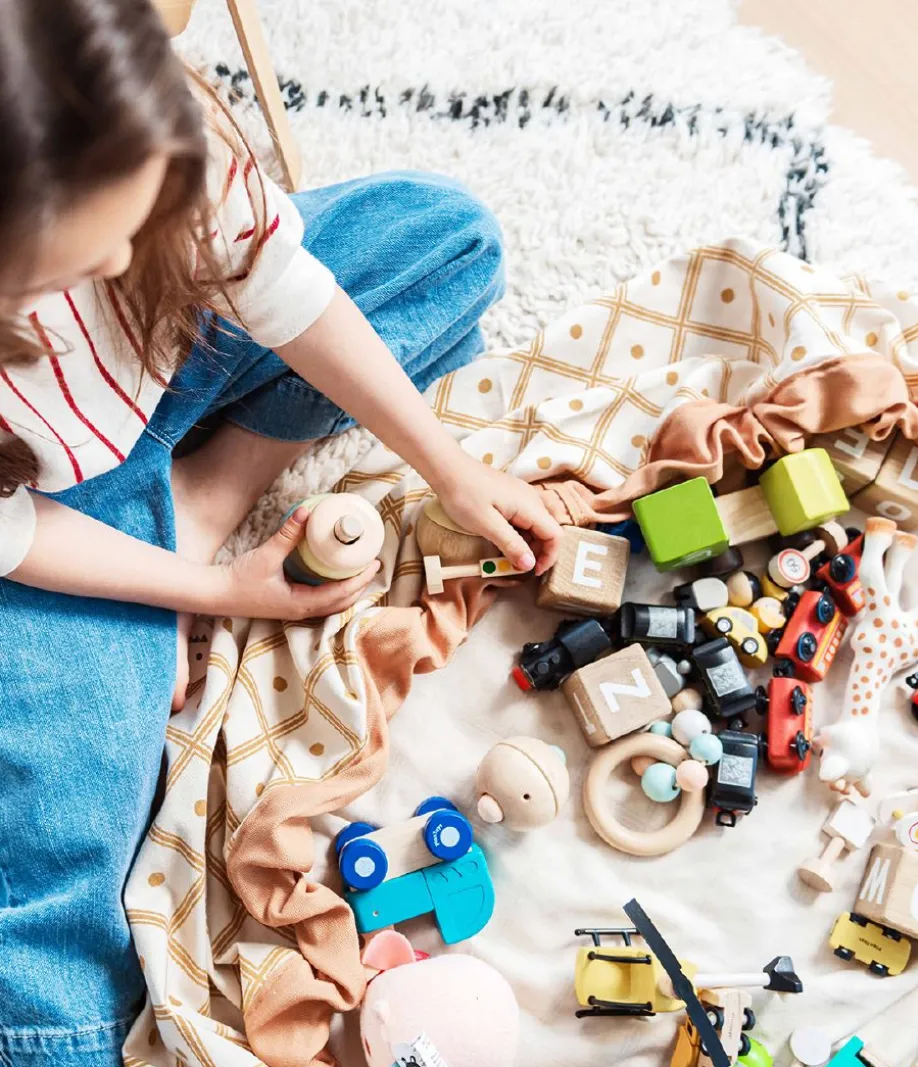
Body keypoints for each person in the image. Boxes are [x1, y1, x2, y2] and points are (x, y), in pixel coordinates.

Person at [0, 1, 561, 1063]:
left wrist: (451, 466)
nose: (114, 259)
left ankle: (205, 497)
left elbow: (282, 289)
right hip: (56, 505)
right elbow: (17, 531)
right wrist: (208, 592)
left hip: (181, 346)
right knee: (63, 828)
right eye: (67, 269)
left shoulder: (142, 138)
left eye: (134, 219)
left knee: (444, 239)